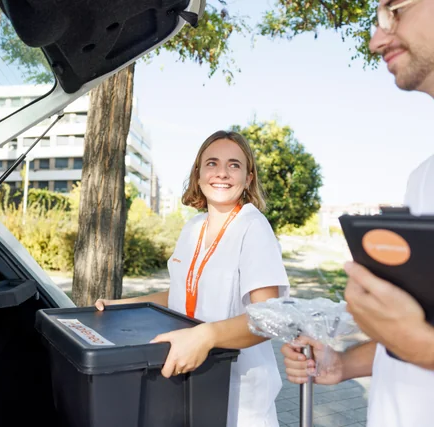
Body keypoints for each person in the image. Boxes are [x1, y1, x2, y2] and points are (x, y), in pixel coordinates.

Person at [281, 1, 434, 426]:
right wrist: (343, 364)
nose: (375, 40)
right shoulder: (422, 178)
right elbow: (417, 329)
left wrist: (422, 346)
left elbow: (422, 341)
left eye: (393, 11)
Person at [95, 130, 290, 426]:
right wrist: (124, 305)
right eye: (212, 163)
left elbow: (269, 319)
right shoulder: (193, 228)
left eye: (234, 165)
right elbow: (180, 293)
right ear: (198, 174)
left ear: (249, 178)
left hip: (239, 400)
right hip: (192, 388)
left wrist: (206, 335)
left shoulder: (254, 227)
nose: (222, 173)